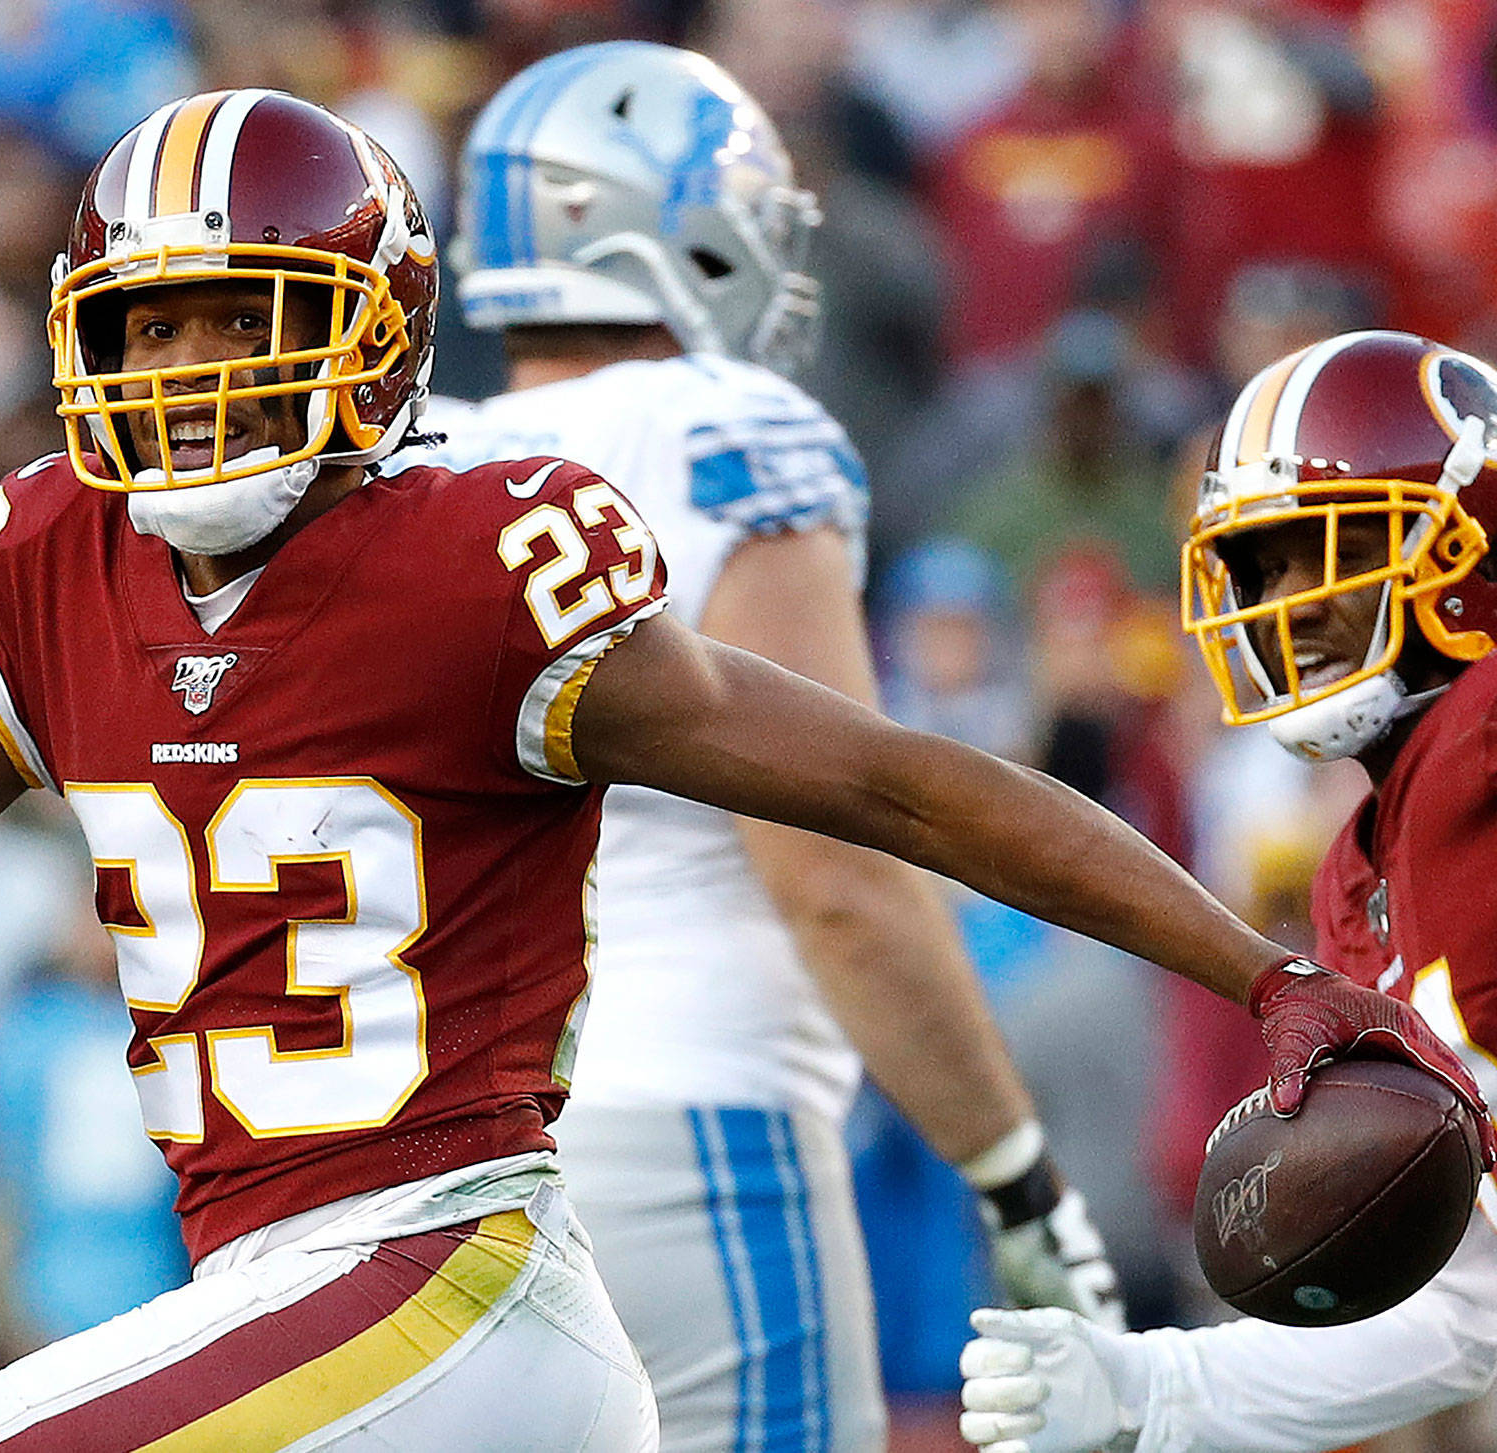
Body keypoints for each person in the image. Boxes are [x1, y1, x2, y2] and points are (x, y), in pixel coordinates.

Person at [0, 89, 1481, 1452]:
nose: (200, 363)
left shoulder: (476, 556)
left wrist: (1260, 969)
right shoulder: (49, 550)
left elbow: (895, 787)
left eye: (253, 312)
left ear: (380, 339)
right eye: (160, 320)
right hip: (276, 1289)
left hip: (438, 1275)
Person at [420, 42, 1118, 1453]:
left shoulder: (426, 462)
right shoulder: (728, 430)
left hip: (438, 1168)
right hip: (692, 1133)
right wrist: (1016, 1172)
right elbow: (839, 872)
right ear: (653, 227)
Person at [960, 330, 1497, 1453]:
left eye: (1322, 553)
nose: (1282, 604)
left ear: (1474, 554)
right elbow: (1453, 1308)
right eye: (1259, 565)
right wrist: (1157, 1387)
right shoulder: (1359, 878)